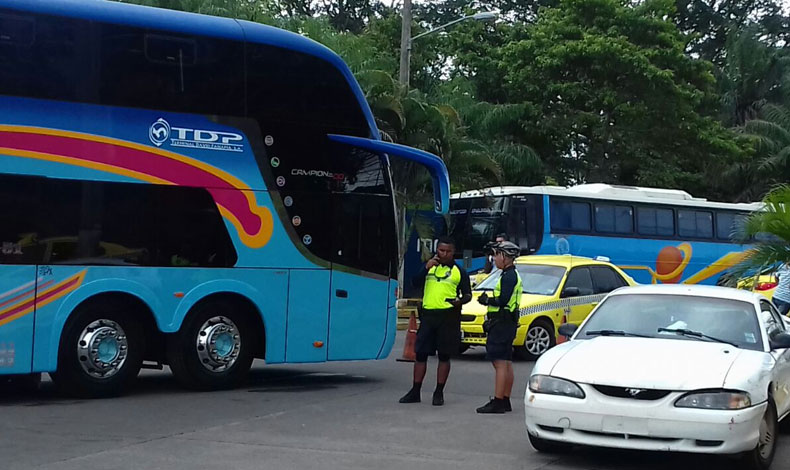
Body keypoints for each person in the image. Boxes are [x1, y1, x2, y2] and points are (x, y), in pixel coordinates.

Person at [399, 237, 472, 406]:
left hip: (448, 317)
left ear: (453, 252)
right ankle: (415, 391)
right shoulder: (429, 267)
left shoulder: (459, 271)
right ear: (437, 250)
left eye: (448, 251)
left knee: (444, 356)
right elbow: (415, 282)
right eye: (441, 250)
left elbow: (468, 294)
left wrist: (459, 302)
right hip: (428, 316)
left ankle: (439, 392)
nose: (444, 254)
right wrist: (425, 268)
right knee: (421, 354)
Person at [475, 241, 522, 414]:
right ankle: (505, 400)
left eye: (496, 255)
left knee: (500, 363)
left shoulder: (509, 276)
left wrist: (487, 300)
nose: (494, 259)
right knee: (506, 362)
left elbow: (502, 300)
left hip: (502, 324)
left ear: (504, 257)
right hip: (507, 323)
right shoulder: (509, 274)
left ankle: (498, 401)